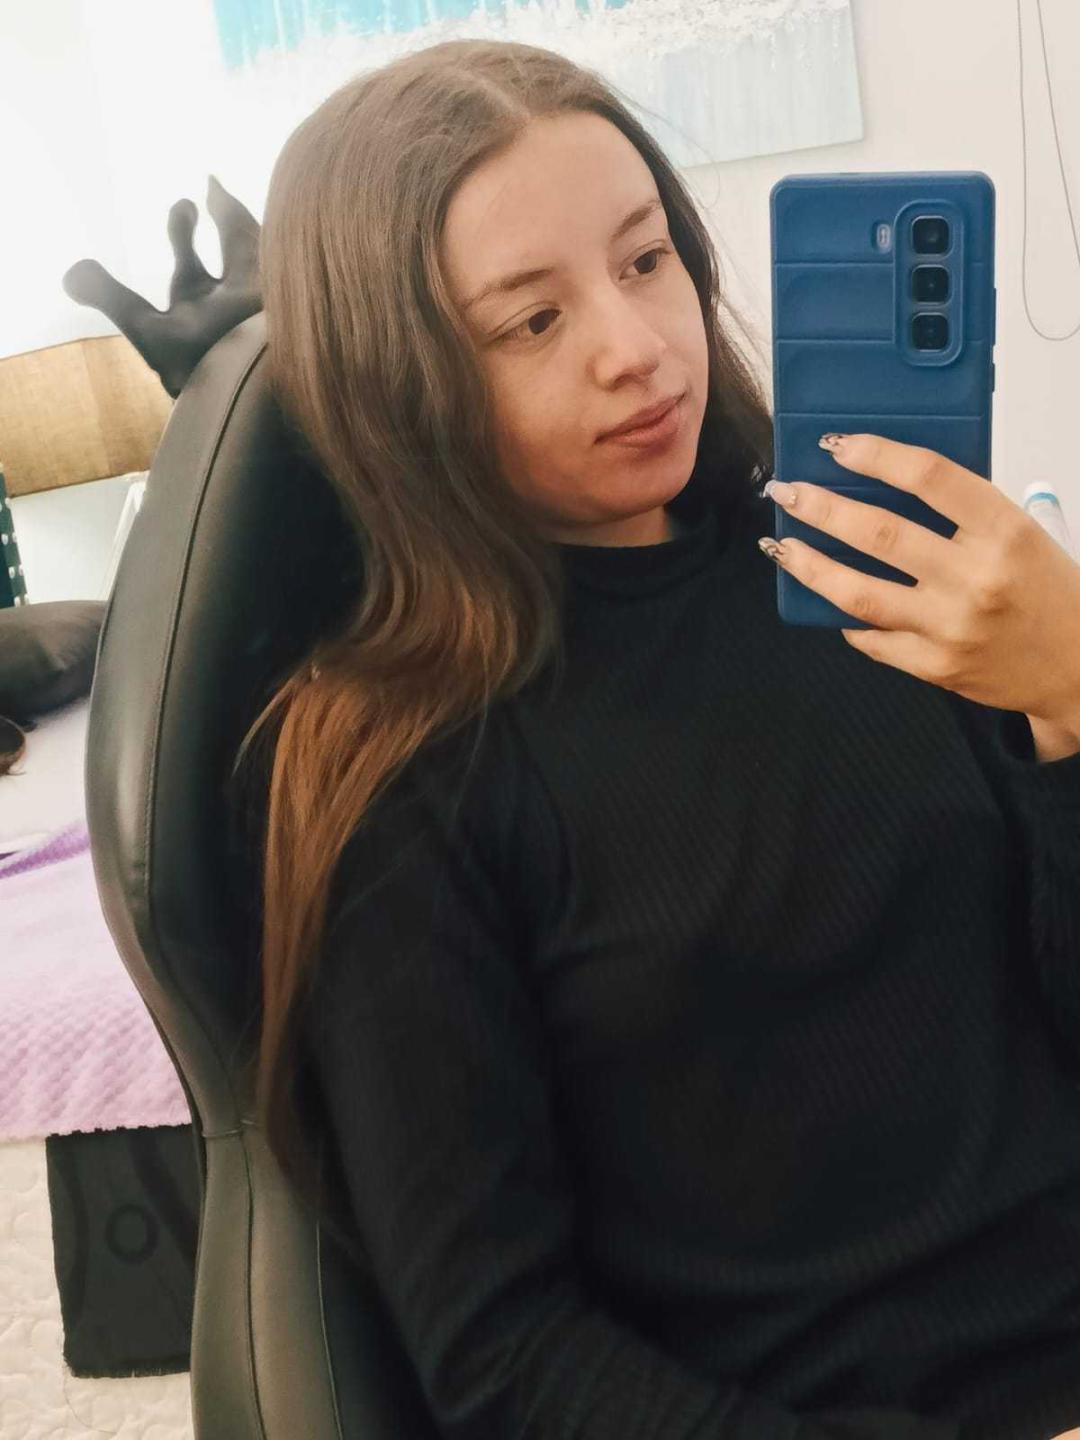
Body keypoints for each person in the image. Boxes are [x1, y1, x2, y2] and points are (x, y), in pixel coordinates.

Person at [67, 40, 1080, 1440]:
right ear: (401, 382)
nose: (636, 346)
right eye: (532, 322)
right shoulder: (403, 779)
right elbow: (508, 1360)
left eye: (646, 259)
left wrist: (1069, 703)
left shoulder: (871, 575)